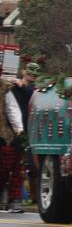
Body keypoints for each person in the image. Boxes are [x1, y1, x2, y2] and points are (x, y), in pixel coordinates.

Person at [1, 62, 39, 213]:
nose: (32, 75)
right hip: (6, 132)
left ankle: (15, 200)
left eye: (35, 73)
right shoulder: (9, 86)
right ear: (23, 71)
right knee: (3, 167)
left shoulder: (34, 91)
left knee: (18, 168)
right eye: (30, 72)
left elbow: (13, 109)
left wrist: (19, 129)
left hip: (19, 134)